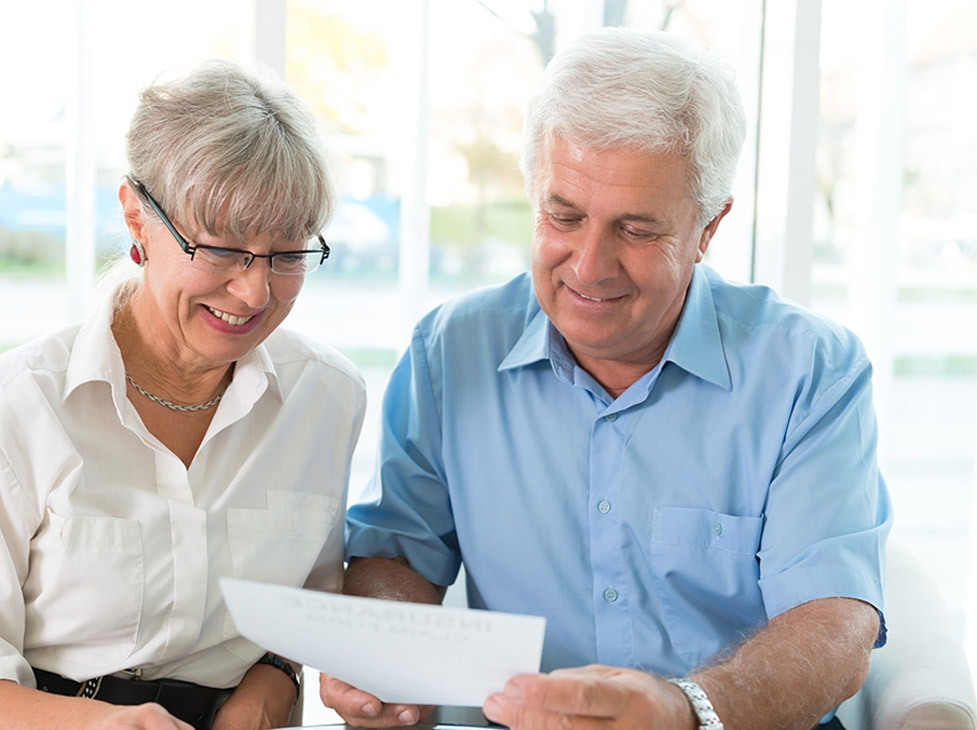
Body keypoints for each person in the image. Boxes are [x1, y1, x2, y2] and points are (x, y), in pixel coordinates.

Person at [322, 27, 892, 730]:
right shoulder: (449, 351)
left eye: (637, 230)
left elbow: (832, 625)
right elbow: (396, 555)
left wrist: (687, 711)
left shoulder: (810, 371)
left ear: (708, 227)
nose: (588, 266)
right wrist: (384, 654)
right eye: (564, 216)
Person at [0, 60, 365, 730]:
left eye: (287, 255)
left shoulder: (327, 396)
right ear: (137, 216)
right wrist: (101, 726)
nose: (255, 293)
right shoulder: (20, 406)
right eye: (221, 249)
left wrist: (271, 686)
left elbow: (305, 614)